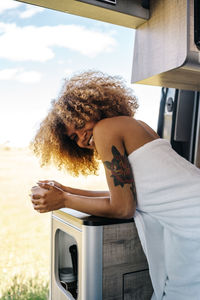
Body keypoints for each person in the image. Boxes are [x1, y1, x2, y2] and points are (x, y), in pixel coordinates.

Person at [31, 71, 200, 300]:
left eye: (80, 124)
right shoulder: (136, 125)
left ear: (93, 108)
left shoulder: (105, 129)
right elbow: (129, 193)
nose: (81, 138)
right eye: (73, 138)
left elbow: (123, 208)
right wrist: (66, 190)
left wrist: (63, 201)